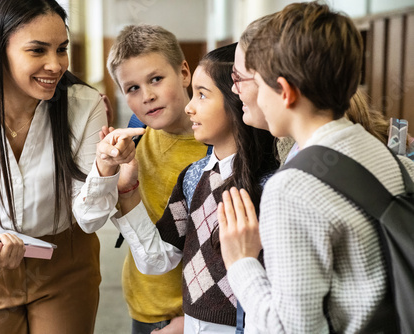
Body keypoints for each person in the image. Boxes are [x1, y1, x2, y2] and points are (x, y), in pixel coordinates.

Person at [0, 0, 141, 333]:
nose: (55, 65)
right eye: (37, 50)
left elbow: (89, 218)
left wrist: (105, 167)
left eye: (62, 49)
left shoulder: (84, 105)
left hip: (65, 262)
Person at [218, 2, 414, 333]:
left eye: (260, 84)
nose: (249, 97)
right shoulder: (385, 154)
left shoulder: (291, 188)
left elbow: (291, 329)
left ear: (285, 92)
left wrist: (241, 262)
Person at [102, 43, 278, 333]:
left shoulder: (271, 184)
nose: (189, 106)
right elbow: (157, 259)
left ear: (238, 100)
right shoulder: (193, 177)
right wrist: (128, 190)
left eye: (202, 95)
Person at [105, 24, 209, 334]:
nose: (147, 96)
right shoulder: (136, 135)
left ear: (184, 72)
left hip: (198, 315)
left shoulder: (218, 145)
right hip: (144, 304)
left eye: (156, 79)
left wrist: (192, 320)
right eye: (133, 88)